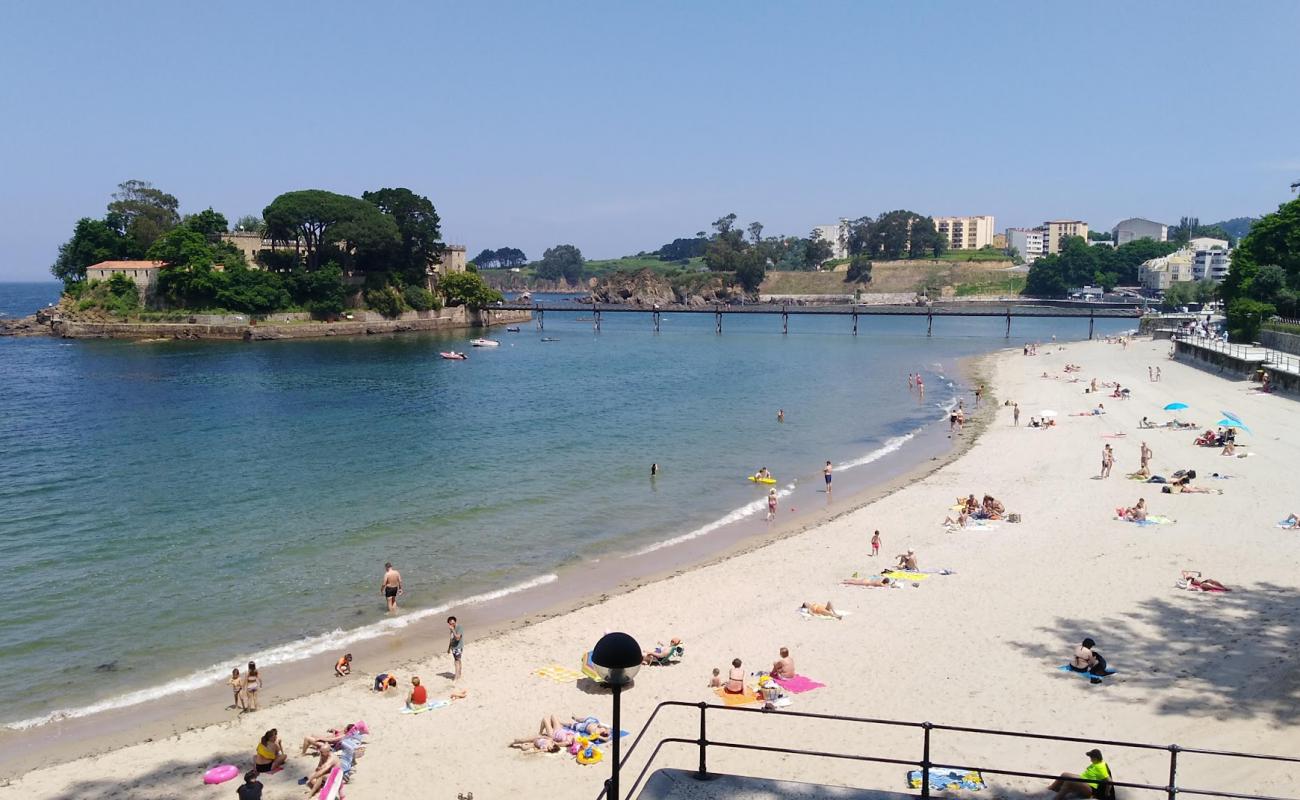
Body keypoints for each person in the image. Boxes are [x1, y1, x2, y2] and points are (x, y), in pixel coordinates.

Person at [1048, 749, 1113, 800]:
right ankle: (1051, 789)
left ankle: (1057, 798)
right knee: (1064, 775)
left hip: (1090, 789)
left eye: (1091, 758)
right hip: (1084, 782)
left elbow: (1109, 781)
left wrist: (1106, 794)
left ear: (1095, 758)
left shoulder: (1101, 767)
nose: (1090, 760)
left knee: (1069, 782)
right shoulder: (1097, 763)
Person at [509, 715, 577, 753]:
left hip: (553, 734)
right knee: (553, 716)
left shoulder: (567, 742)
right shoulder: (574, 735)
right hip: (560, 729)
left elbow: (557, 744)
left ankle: (540, 732)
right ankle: (555, 725)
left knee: (545, 719)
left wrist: (552, 742)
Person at [447, 615, 464, 680]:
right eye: (450, 624)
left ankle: (456, 677)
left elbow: (457, 638)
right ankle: (459, 674)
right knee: (458, 660)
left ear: (455, 622)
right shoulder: (452, 628)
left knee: (456, 661)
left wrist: (453, 630)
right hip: (453, 648)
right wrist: (448, 648)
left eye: (453, 623)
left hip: (458, 647)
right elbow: (451, 639)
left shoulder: (459, 627)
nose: (452, 625)